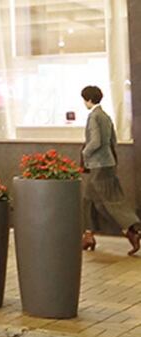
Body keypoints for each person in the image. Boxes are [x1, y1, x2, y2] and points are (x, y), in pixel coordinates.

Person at [80, 85, 140, 254]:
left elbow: (95, 141)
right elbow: (113, 141)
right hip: (107, 163)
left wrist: (84, 153)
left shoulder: (94, 116)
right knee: (89, 200)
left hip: (98, 165)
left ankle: (131, 230)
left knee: (109, 200)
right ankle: (89, 235)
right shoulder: (106, 116)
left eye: (84, 99)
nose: (84, 103)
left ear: (89, 100)